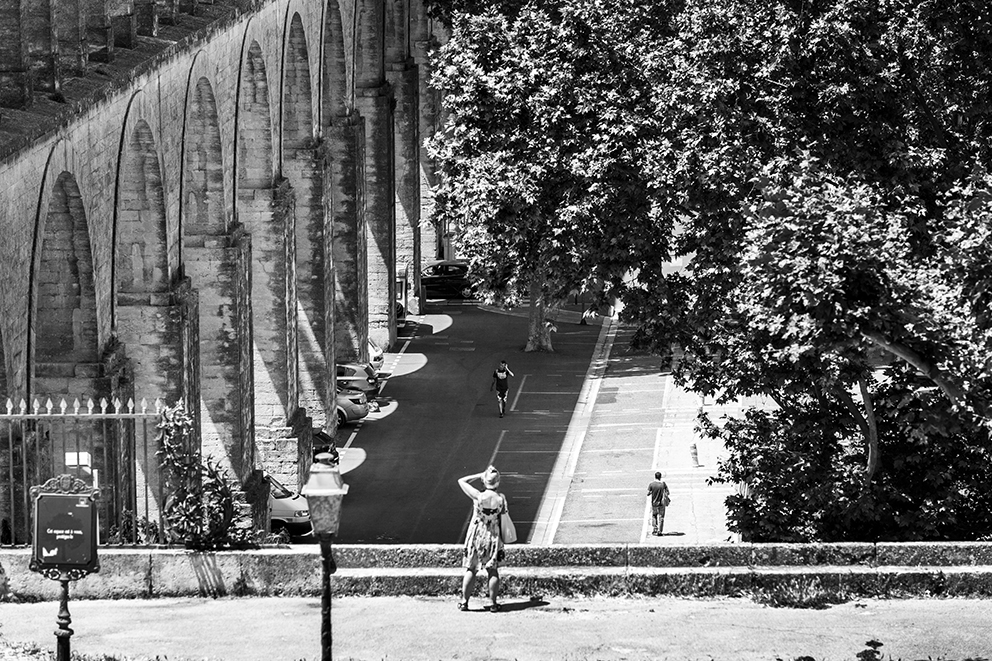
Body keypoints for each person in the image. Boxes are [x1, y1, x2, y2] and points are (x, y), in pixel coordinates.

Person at [457, 466, 507, 612]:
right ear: (498, 483)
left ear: (485, 481)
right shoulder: (501, 499)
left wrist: (479, 475)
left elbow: (461, 481)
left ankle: (464, 602)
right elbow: (503, 516)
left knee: (471, 568)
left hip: (477, 534)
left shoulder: (477, 496)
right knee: (493, 570)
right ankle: (493, 603)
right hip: (493, 535)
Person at [647, 471, 670, 536]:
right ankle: (660, 531)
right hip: (662, 503)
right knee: (661, 517)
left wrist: (652, 492)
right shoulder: (663, 484)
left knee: (654, 515)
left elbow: (648, 493)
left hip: (654, 503)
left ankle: (655, 528)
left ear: (655, 476)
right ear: (660, 477)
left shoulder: (651, 484)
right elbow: (668, 492)